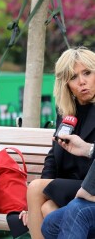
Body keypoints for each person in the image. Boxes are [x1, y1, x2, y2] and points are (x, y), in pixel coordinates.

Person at [22, 46, 95, 238]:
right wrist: (34, 205)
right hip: (70, 185)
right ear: (66, 84)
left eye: (87, 73)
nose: (82, 82)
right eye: (73, 77)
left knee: (37, 189)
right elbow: (54, 155)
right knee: (46, 208)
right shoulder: (66, 111)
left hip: (89, 186)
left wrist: (35, 199)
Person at [41, 135, 95, 238]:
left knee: (77, 210)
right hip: (78, 185)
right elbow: (51, 159)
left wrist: (88, 189)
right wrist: (88, 149)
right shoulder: (64, 123)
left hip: (81, 184)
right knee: (50, 223)